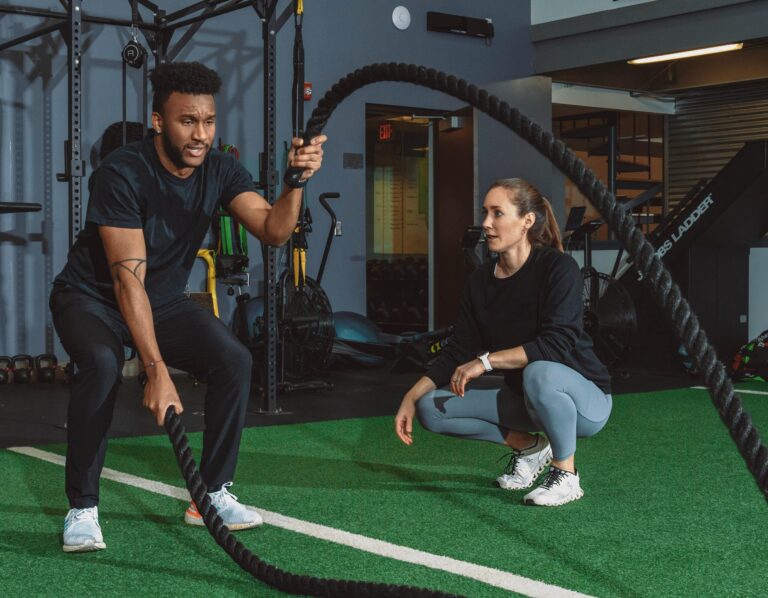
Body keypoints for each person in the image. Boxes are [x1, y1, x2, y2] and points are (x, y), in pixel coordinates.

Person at [50, 62, 326, 552]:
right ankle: (83, 506)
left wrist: (294, 182)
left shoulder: (219, 169)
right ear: (159, 121)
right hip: (91, 298)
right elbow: (125, 278)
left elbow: (273, 230)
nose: (201, 134)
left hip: (161, 301)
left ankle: (211, 495)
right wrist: (155, 368)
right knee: (103, 363)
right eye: (187, 122)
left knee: (234, 359)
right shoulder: (121, 173)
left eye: (208, 121)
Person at [394, 178, 611, 507]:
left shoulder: (558, 268)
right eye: (485, 213)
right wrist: (411, 396)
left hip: (585, 401)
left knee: (540, 371)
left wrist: (485, 362)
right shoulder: (479, 281)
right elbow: (459, 348)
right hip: (526, 398)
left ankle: (566, 474)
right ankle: (529, 447)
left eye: (497, 213)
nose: (486, 223)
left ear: (527, 221)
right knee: (432, 408)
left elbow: (556, 344)